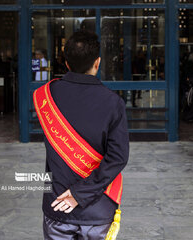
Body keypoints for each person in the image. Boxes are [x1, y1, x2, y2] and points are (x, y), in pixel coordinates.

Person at [34, 30, 129, 239]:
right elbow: (118, 157)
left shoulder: (46, 95)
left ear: (66, 63)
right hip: (98, 208)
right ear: (98, 62)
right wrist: (79, 194)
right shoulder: (113, 103)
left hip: (57, 205)